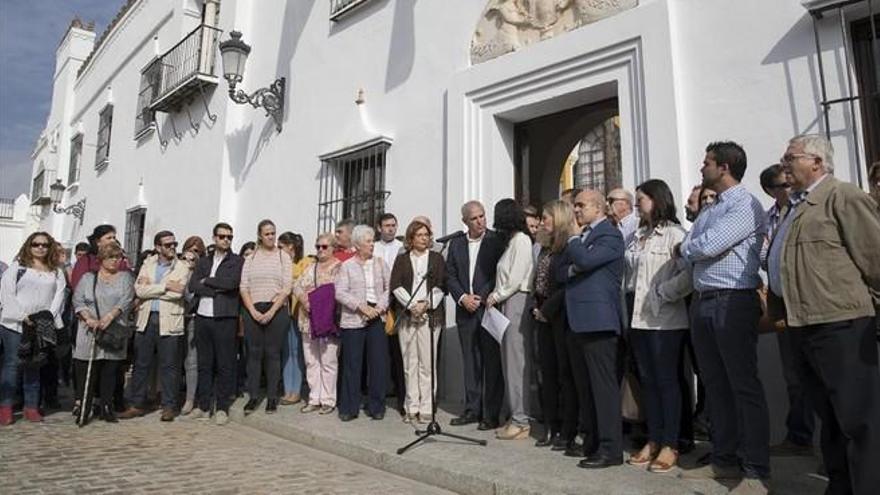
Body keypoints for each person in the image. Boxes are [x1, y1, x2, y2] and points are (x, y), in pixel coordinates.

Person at [772, 134, 880, 494]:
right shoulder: (795, 205)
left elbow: (875, 259)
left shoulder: (842, 196)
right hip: (804, 325)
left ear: (817, 162)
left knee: (859, 421)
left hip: (842, 324)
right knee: (830, 421)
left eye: (792, 156)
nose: (785, 162)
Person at [677, 141, 770, 493]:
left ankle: (756, 470)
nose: (702, 167)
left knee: (743, 386)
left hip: (733, 300)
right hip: (703, 300)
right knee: (715, 386)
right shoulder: (712, 208)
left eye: (708, 162)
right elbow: (698, 241)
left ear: (725, 167)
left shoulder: (745, 204)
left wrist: (689, 249)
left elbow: (704, 246)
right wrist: (693, 248)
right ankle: (724, 460)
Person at [624, 179, 692, 473]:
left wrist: (662, 293)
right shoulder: (637, 235)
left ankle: (670, 442)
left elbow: (688, 275)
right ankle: (653, 438)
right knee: (648, 381)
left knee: (667, 381)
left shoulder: (675, 235)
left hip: (665, 321)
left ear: (657, 199)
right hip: (638, 319)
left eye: (642, 198)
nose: (637, 203)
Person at [558, 189, 625, 469]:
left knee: (603, 388)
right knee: (587, 388)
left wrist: (574, 240)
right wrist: (575, 266)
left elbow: (584, 261)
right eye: (574, 206)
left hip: (599, 321)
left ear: (598, 208)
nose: (576, 210)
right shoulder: (585, 238)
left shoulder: (608, 234)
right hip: (579, 320)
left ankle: (611, 449)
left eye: (581, 205)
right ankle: (594, 442)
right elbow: (561, 271)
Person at [757, 163, 815, 457]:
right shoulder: (768, 218)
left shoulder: (805, 207)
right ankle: (800, 437)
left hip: (811, 302)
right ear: (771, 190)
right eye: (783, 184)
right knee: (793, 375)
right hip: (783, 305)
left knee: (823, 375)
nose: (790, 186)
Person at [119, 231, 192, 422]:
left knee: (169, 366)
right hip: (147, 318)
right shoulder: (148, 263)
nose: (172, 248)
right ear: (158, 247)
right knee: (141, 364)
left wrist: (152, 287)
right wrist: (165, 286)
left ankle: (169, 405)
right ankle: (137, 403)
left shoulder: (182, 266)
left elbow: (178, 293)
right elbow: (139, 290)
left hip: (169, 319)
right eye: (167, 245)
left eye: (174, 244)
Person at [446, 200, 504, 430]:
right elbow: (450, 274)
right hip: (465, 311)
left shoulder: (495, 240)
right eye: (474, 218)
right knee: (470, 362)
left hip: (487, 308)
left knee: (491, 362)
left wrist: (479, 296)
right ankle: (472, 408)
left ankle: (491, 414)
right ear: (465, 221)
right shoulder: (457, 244)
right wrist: (462, 298)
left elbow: (499, 273)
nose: (480, 221)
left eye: (482, 216)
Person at [0, 232, 66, 425]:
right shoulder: (18, 268)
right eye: (36, 244)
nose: (40, 248)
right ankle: (6, 406)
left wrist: (46, 317)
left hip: (41, 325)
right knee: (12, 365)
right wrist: (23, 316)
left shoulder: (56, 272)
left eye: (44, 245)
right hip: (15, 324)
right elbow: (6, 294)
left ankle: (31, 406)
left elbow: (59, 297)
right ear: (29, 246)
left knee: (34, 365)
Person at [530, 200, 579, 450]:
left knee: (564, 375)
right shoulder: (542, 249)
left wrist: (547, 310)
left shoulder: (568, 248)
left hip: (560, 316)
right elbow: (536, 282)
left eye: (546, 218)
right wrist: (535, 308)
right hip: (541, 315)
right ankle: (551, 425)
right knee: (545, 374)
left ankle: (567, 430)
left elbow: (565, 286)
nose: (541, 222)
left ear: (558, 219)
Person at [486, 199, 535, 440]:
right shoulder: (513, 242)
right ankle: (514, 415)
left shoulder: (522, 241)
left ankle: (521, 419)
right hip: (507, 302)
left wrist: (495, 295)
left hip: (516, 301)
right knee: (508, 362)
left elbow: (515, 279)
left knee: (516, 363)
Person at [389, 219, 447, 424]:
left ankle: (427, 407)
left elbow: (441, 285)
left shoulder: (437, 259)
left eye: (426, 235)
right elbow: (395, 285)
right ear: (411, 238)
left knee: (427, 363)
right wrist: (412, 305)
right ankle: (411, 406)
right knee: (409, 363)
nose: (424, 238)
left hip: (430, 316)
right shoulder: (402, 259)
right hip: (407, 315)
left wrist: (425, 305)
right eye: (420, 235)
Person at [71, 242, 134, 423]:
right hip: (90, 330)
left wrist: (110, 317)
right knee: (88, 369)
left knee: (110, 370)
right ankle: (85, 405)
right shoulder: (88, 278)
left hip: (114, 330)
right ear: (101, 259)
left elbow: (126, 300)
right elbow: (78, 300)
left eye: (118, 257)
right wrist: (88, 318)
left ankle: (107, 406)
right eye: (111, 257)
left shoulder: (125, 278)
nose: (115, 261)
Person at [187, 223, 243, 425]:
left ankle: (222, 407)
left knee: (225, 363)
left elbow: (232, 284)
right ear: (214, 238)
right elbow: (193, 285)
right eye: (222, 236)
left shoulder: (237, 261)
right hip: (203, 316)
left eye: (229, 236)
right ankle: (203, 406)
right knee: (204, 363)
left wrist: (208, 281)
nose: (226, 240)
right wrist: (213, 286)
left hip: (224, 317)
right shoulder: (203, 261)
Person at [335, 225, 391, 421]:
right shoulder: (347, 266)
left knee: (377, 363)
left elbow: (388, 288)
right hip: (354, 317)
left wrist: (379, 308)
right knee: (352, 363)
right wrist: (361, 307)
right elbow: (340, 292)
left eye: (373, 241)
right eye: (368, 241)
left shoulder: (380, 263)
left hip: (377, 315)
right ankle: (349, 407)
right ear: (357, 244)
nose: (372, 245)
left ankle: (376, 407)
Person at [240, 220, 292, 415]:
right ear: (260, 235)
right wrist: (252, 310)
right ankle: (253, 396)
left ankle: (272, 397)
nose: (271, 237)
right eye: (267, 234)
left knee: (272, 353)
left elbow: (287, 287)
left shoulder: (283, 257)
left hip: (276, 309)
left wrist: (271, 311)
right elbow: (243, 286)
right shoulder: (251, 258)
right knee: (253, 354)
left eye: (273, 233)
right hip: (253, 308)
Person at [293, 233, 341, 414]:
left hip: (327, 320)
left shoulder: (339, 268)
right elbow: (297, 285)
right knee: (311, 360)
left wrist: (315, 296)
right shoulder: (310, 267)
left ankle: (328, 399)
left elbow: (336, 290)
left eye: (324, 247)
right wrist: (305, 299)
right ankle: (314, 397)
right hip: (308, 319)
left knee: (328, 361)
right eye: (318, 246)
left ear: (333, 248)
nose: (320, 250)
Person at [373, 213, 406, 417]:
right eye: (387, 225)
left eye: (394, 225)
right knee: (379, 355)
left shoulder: (401, 249)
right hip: (376, 305)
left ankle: (402, 399)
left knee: (398, 354)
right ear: (379, 227)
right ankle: (380, 396)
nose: (391, 229)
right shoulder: (373, 247)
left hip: (398, 303)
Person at [278, 232, 309, 406]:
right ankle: (287, 390)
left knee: (296, 351)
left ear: (290, 246)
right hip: (283, 313)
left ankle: (296, 390)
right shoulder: (280, 264)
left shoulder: (304, 264)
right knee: (286, 351)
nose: (278, 250)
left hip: (298, 312)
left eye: (281, 246)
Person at [179, 236, 206, 415]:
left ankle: (190, 398)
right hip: (174, 318)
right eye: (189, 251)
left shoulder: (202, 273)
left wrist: (190, 275)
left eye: (196, 252)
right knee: (173, 359)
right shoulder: (175, 270)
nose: (192, 256)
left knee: (191, 360)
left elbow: (190, 296)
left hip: (193, 317)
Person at [70, 225, 131, 290]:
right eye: (109, 238)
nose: (113, 241)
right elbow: (78, 285)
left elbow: (128, 281)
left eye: (114, 238)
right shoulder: (85, 261)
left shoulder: (120, 261)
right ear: (98, 242)